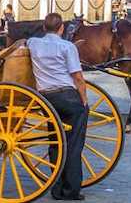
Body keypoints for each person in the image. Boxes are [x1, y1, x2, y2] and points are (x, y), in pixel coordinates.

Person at [27, 12, 87, 201]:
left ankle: (57, 187)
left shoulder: (33, 43)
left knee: (56, 142)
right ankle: (71, 190)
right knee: (73, 144)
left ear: (44, 28)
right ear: (62, 28)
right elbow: (78, 77)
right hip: (67, 97)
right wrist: (84, 100)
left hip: (46, 99)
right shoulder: (67, 47)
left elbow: (21, 43)